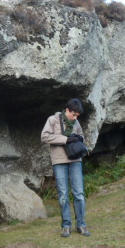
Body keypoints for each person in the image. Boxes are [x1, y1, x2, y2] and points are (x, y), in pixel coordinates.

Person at [41, 98, 90, 237]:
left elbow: (81, 135)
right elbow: (44, 137)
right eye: (73, 114)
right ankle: (66, 226)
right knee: (63, 195)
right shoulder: (53, 120)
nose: (75, 118)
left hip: (75, 159)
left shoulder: (76, 122)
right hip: (59, 161)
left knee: (79, 194)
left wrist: (78, 138)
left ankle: (81, 225)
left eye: (77, 116)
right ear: (67, 110)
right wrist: (66, 139)